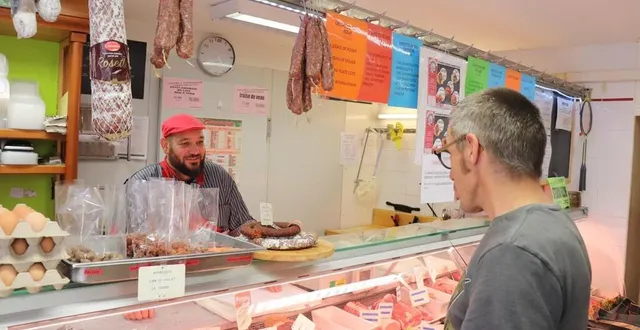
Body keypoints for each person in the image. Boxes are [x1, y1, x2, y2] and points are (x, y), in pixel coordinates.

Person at [435, 88, 591, 330]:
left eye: (449, 153)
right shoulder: (553, 222)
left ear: (471, 149)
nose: (451, 173)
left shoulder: (512, 253)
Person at [125, 113, 255, 233]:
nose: (195, 151)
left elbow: (242, 226)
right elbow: (127, 241)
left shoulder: (219, 177)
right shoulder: (141, 183)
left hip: (215, 257)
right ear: (165, 146)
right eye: (185, 143)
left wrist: (257, 230)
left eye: (200, 142)